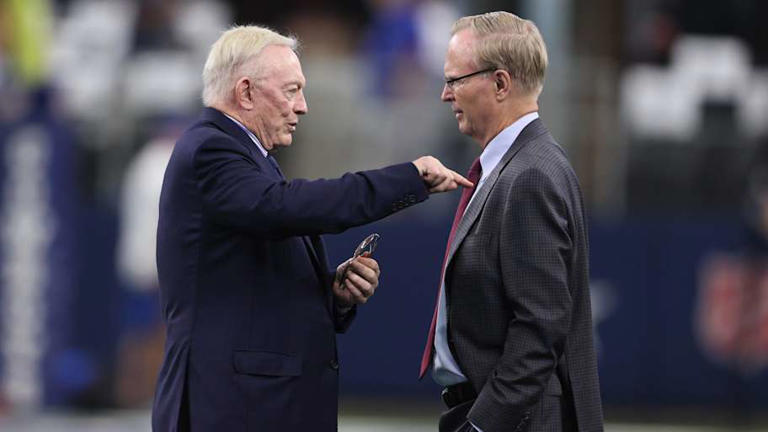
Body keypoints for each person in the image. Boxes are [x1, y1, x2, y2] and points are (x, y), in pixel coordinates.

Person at [151, 25, 471, 432]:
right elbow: (282, 208)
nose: (302, 106)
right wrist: (407, 179)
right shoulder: (212, 148)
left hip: (252, 404)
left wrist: (330, 292)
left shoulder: (246, 155)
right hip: (232, 407)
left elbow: (249, 276)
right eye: (291, 90)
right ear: (245, 92)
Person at [419, 12, 603, 432]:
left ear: (500, 83)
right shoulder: (517, 166)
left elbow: (539, 333)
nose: (445, 95)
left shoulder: (530, 175)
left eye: (455, 80)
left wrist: (483, 425)